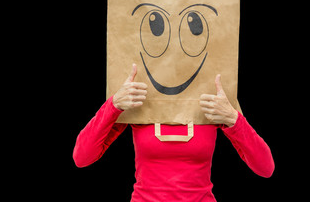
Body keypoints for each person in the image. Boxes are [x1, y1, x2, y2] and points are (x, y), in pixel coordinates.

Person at [73, 64, 275, 202]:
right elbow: (82, 157)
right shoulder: (139, 101)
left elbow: (266, 168)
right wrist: (114, 105)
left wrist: (233, 118)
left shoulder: (210, 101)